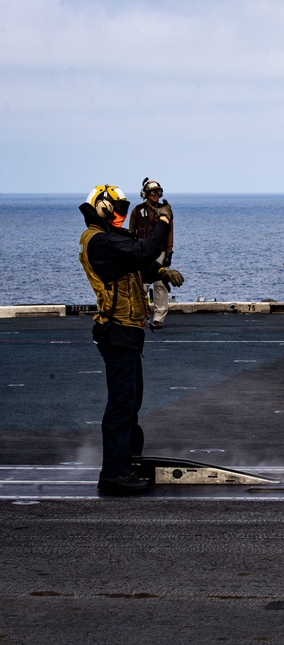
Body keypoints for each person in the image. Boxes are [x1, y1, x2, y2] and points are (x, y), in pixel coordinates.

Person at [78, 184, 183, 494]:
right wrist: (163, 223)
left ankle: (129, 461)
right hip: (117, 331)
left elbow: (136, 262)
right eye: (117, 209)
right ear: (104, 208)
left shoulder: (109, 240)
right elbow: (139, 251)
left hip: (127, 331)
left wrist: (160, 272)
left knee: (130, 401)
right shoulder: (98, 242)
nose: (121, 215)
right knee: (121, 405)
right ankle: (114, 474)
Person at [128, 178, 175, 329]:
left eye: (158, 193)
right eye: (153, 193)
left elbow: (169, 232)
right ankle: (141, 314)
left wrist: (169, 252)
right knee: (140, 285)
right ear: (145, 194)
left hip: (159, 251)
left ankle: (159, 317)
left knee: (160, 284)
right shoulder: (137, 210)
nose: (156, 196)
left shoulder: (165, 210)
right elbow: (131, 232)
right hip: (141, 252)